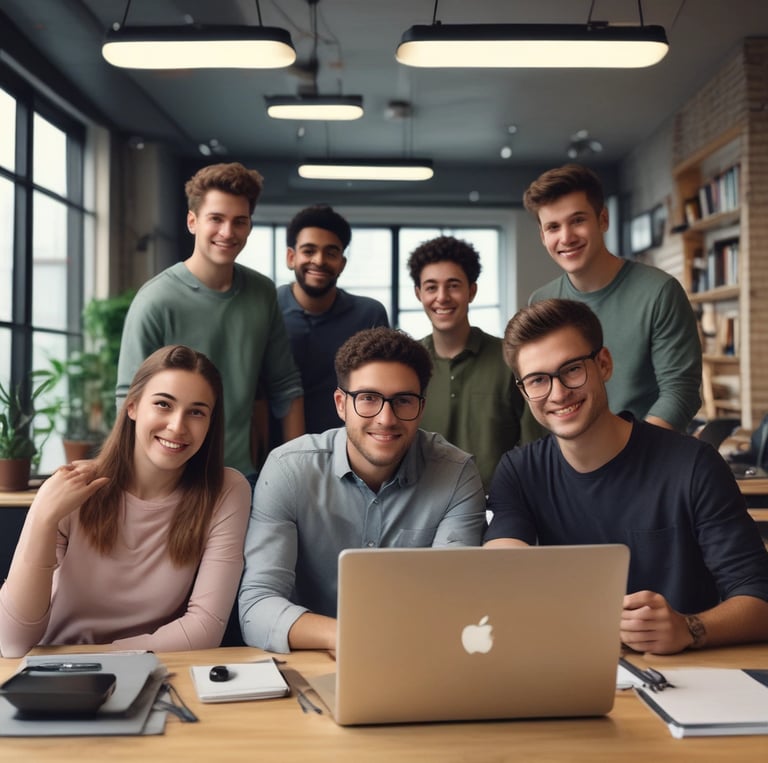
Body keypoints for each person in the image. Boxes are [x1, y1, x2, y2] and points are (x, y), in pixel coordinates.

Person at [484, 299, 768, 654]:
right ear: (524, 391)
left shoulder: (693, 465)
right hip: (574, 669)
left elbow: (759, 599)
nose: (557, 394)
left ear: (603, 364)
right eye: (538, 380)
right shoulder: (519, 471)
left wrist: (690, 628)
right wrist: (501, 575)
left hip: (685, 675)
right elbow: (501, 562)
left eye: (572, 370)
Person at [238, 327, 486, 654]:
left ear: (421, 408)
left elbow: (455, 599)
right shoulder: (288, 470)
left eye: (403, 401)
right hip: (308, 663)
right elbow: (256, 607)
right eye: (368, 398)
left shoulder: (456, 475)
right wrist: (346, 637)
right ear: (341, 404)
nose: (386, 418)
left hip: (417, 657)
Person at [0, 345, 251, 658]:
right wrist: (42, 517)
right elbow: (11, 641)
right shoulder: (74, 489)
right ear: (132, 406)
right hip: (53, 678)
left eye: (197, 412)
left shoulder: (226, 490)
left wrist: (92, 659)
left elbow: (204, 627)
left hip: (153, 672)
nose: (177, 426)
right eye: (163, 404)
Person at [116, 162, 304, 480]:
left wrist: (301, 473)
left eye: (239, 221)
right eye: (216, 219)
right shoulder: (155, 300)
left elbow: (285, 386)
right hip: (171, 477)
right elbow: (128, 399)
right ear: (193, 221)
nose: (227, 232)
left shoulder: (261, 292)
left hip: (243, 476)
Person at [523, 163, 701, 432]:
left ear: (603, 220)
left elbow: (680, 392)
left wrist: (628, 457)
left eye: (578, 220)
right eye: (553, 227)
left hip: (649, 457)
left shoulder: (660, 291)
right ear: (543, 236)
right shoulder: (542, 301)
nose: (566, 237)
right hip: (575, 461)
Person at [407, 234, 539, 490]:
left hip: (498, 504)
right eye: (431, 287)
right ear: (418, 293)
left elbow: (534, 446)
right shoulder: (407, 364)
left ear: (472, 290)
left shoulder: (512, 358)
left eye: (453, 285)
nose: (442, 297)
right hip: (420, 504)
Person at [278, 204, 389, 434]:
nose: (319, 260)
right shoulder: (268, 307)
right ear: (291, 257)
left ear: (342, 263)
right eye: (309, 251)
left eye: (331, 253)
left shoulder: (369, 314)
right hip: (272, 450)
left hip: (348, 446)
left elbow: (381, 388)